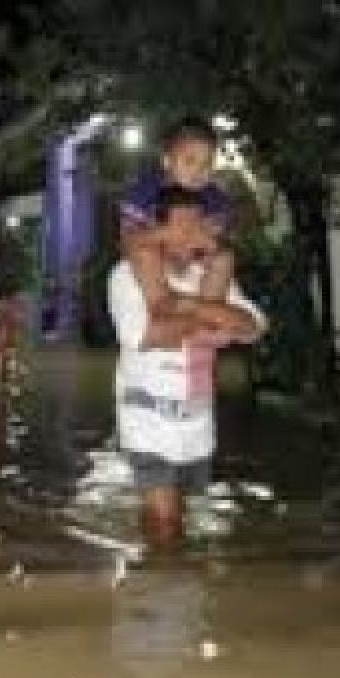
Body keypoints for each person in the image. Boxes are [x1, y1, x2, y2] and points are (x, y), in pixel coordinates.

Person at [108, 187, 267, 551]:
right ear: (158, 231)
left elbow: (252, 327)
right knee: (165, 525)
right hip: (145, 424)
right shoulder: (127, 274)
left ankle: (174, 585)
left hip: (197, 425)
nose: (188, 238)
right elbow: (145, 335)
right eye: (178, 229)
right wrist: (212, 318)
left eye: (196, 228)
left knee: (185, 524)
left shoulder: (208, 274)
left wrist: (184, 306)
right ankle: (154, 589)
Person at [120, 115, 236, 325]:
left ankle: (206, 315)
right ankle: (161, 305)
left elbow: (219, 234)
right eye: (189, 161)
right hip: (156, 252)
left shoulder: (215, 198)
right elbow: (128, 238)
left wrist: (209, 240)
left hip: (193, 255)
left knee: (224, 258)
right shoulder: (144, 191)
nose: (198, 172)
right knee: (143, 252)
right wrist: (165, 234)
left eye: (207, 164)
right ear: (167, 160)